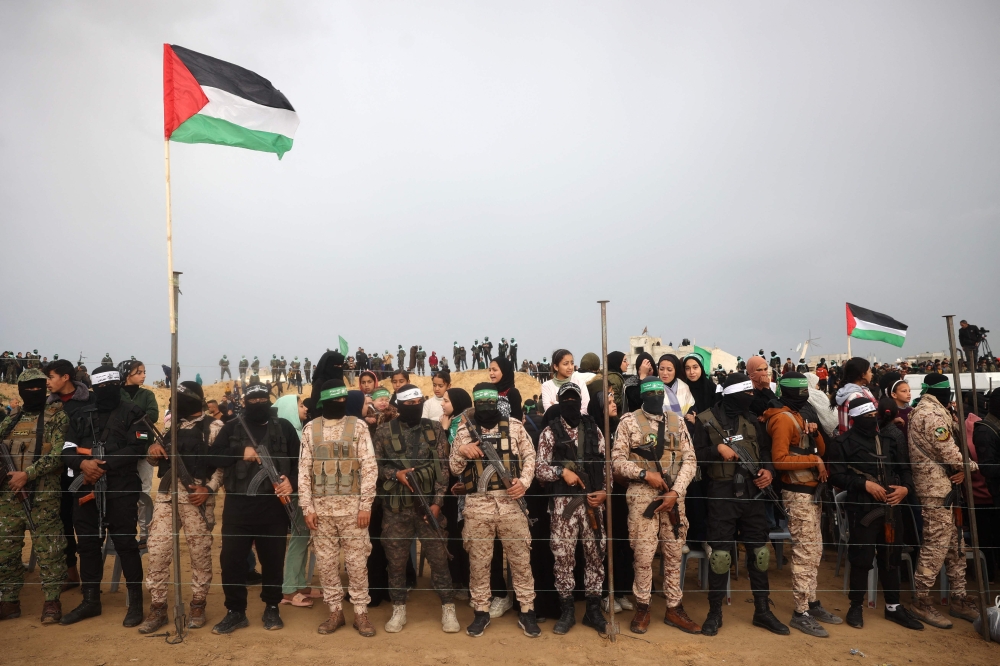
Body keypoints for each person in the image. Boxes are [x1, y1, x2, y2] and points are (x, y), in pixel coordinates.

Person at [691, 373, 788, 636]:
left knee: (759, 553)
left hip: (753, 492)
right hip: (721, 494)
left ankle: (762, 611)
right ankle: (714, 612)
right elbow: (694, 456)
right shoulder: (706, 420)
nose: (749, 399)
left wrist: (768, 471)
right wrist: (716, 450)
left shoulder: (752, 420)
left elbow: (765, 450)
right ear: (732, 395)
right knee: (720, 555)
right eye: (745, 395)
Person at [204, 382, 300, 634]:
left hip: (273, 506)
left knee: (272, 559)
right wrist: (239, 452)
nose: (258, 404)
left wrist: (293, 482)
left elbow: (301, 462)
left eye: (262, 399)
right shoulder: (232, 427)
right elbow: (213, 457)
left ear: (269, 400)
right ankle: (235, 611)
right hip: (238, 506)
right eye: (253, 400)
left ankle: (272, 607)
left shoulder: (285, 428)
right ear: (244, 402)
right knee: (231, 560)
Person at [60, 365, 152, 627]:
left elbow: (138, 447)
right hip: (86, 487)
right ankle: (91, 601)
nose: (106, 392)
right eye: (101, 388)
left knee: (125, 543)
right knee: (88, 545)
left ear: (119, 385)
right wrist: (82, 466)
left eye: (111, 386)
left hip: (121, 489)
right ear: (94, 389)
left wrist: (102, 464)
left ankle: (135, 602)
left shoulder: (134, 413)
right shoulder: (81, 414)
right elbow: (66, 449)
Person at [450, 383, 540, 638]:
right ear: (475, 404)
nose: (486, 407)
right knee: (479, 563)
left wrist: (523, 483)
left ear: (497, 402)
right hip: (477, 505)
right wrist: (462, 451)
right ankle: (481, 611)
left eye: (491, 402)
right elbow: (455, 468)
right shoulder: (465, 430)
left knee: (521, 560)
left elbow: (530, 456)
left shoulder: (514, 426)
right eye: (481, 403)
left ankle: (527, 610)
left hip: (511, 503)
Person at [612, 377, 701, 635]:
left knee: (674, 555)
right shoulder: (628, 422)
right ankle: (643, 606)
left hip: (673, 497)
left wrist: (676, 491)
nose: (655, 397)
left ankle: (674, 607)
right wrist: (643, 475)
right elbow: (616, 461)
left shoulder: (677, 421)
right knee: (643, 555)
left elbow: (690, 460)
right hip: (642, 496)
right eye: (649, 393)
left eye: (659, 393)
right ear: (641, 395)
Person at [826, 396, 924, 630]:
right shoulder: (842, 443)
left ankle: (893, 607)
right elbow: (836, 476)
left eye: (874, 416)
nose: (872, 421)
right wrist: (864, 485)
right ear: (856, 419)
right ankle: (856, 606)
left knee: (891, 558)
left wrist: (905, 489)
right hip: (862, 508)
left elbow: (904, 469)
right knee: (861, 558)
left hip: (892, 507)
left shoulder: (889, 440)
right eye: (867, 417)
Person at [373, 383, 459, 633]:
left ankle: (448, 607)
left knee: (439, 560)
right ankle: (399, 609)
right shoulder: (383, 432)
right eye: (408, 404)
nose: (413, 407)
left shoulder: (433, 429)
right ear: (398, 405)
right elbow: (375, 466)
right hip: (396, 510)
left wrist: (436, 503)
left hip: (428, 507)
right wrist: (395, 473)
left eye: (417, 402)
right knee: (396, 562)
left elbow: (443, 470)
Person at [138, 381, 222, 633]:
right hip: (166, 496)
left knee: (199, 554)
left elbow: (222, 466)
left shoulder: (214, 427)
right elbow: (157, 459)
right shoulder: (171, 426)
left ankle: (198, 604)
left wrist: (209, 489)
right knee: (157, 550)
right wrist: (152, 452)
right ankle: (158, 607)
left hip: (197, 498)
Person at [299, 379, 378, 636]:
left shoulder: (358, 427)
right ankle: (335, 612)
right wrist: (307, 508)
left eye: (343, 399)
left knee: (357, 564)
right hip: (321, 511)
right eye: (335, 400)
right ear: (324, 401)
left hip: (353, 511)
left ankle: (361, 615)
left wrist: (365, 505)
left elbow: (369, 467)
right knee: (326, 563)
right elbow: (304, 471)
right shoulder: (311, 429)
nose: (340, 404)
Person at [764, 372, 841, 636]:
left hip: (811, 493)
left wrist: (816, 434)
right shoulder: (783, 420)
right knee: (804, 553)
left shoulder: (797, 416)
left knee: (814, 550)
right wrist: (813, 460)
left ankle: (811, 600)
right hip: (797, 493)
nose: (803, 396)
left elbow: (821, 450)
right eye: (798, 392)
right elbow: (780, 461)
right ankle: (801, 611)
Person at [534, 382, 608, 635]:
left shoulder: (594, 429)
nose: (570, 403)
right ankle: (567, 610)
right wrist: (561, 471)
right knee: (563, 558)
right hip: (563, 505)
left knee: (595, 556)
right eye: (565, 399)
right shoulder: (549, 432)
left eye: (573, 398)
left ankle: (593, 610)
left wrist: (605, 491)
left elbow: (606, 463)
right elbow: (539, 468)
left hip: (592, 503)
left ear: (580, 400)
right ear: (558, 401)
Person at [907, 374, 980, 627]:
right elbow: (950, 453)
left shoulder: (936, 410)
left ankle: (958, 598)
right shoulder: (932, 415)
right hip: (935, 489)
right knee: (936, 545)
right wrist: (972, 466)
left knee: (956, 546)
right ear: (944, 392)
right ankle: (921, 600)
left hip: (947, 486)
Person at [0, 368, 68, 623]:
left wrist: (27, 474)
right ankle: (8, 601)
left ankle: (52, 600)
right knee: (5, 551)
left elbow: (58, 454)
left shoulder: (57, 417)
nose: (33, 392)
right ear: (19, 390)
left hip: (42, 498)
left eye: (38, 387)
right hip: (8, 499)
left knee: (50, 550)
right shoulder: (11, 420)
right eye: (27, 388)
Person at [45, 359, 92, 592]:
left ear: (65, 377)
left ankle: (91, 580)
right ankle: (71, 573)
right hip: (56, 474)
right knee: (63, 523)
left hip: (83, 472)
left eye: (51, 377)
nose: (47, 382)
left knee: (84, 524)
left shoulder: (88, 402)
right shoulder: (48, 405)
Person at [272, 395, 317, 609]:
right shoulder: (287, 434)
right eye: (299, 405)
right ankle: (289, 589)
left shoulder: (298, 431)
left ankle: (300, 584)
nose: (304, 408)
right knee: (299, 538)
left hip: (301, 491)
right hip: (296, 493)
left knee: (303, 537)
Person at [835, 358, 877, 435]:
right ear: (862, 375)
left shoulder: (845, 391)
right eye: (869, 371)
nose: (872, 374)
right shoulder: (857, 396)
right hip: (857, 442)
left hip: (846, 439)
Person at [681, 354, 718, 419]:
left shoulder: (712, 389)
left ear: (701, 367)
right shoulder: (682, 388)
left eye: (695, 367)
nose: (691, 372)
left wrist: (698, 421)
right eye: (687, 368)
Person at [490, 356, 524, 421]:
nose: (491, 373)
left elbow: (517, 420)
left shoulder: (512, 392)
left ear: (504, 371)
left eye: (494, 370)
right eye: (490, 370)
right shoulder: (489, 391)